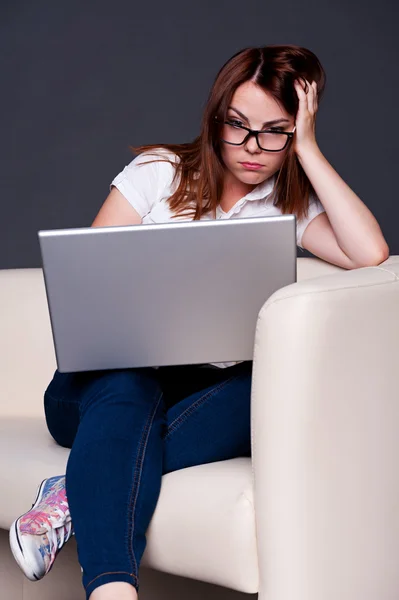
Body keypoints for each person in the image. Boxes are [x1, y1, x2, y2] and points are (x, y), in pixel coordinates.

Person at [9, 44, 389, 600]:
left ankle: (75, 489)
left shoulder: (289, 202)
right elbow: (85, 283)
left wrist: (308, 148)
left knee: (270, 393)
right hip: (103, 385)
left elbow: (370, 253)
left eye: (275, 131)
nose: (253, 147)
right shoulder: (159, 172)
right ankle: (112, 588)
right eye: (238, 126)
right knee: (129, 387)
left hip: (208, 389)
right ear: (215, 120)